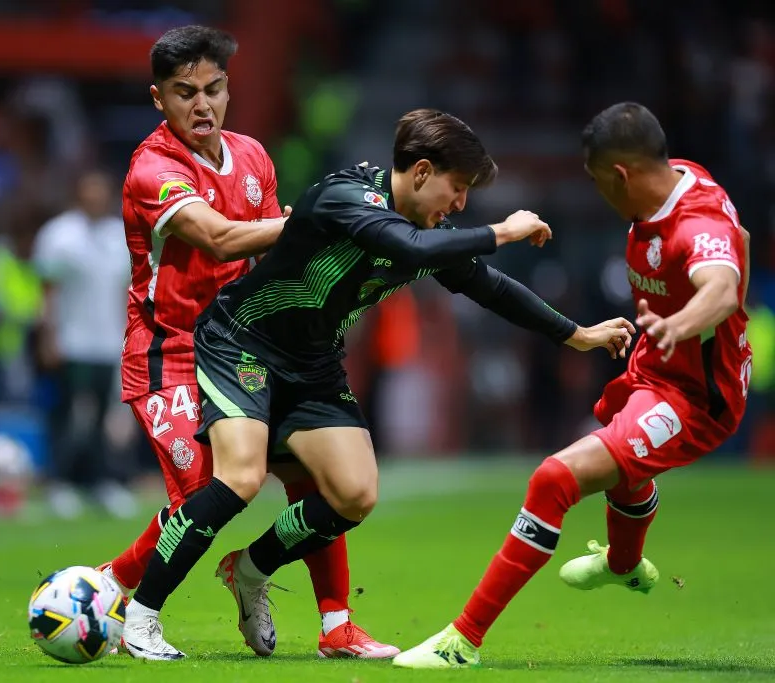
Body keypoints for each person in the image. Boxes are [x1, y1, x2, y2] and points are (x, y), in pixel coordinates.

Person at [121, 107, 635, 660]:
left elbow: (488, 287)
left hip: (313, 366)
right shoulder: (347, 197)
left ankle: (249, 569)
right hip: (243, 344)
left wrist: (574, 334)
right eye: (456, 188)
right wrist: (501, 231)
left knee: (353, 494)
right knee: (239, 479)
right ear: (419, 172)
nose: (460, 204)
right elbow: (409, 249)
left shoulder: (425, 229)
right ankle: (141, 617)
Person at [393, 102, 752, 669]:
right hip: (655, 373)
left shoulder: (694, 223)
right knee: (618, 459)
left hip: (694, 399)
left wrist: (682, 325)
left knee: (554, 478)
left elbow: (723, 289)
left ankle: (461, 642)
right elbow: (745, 238)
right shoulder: (678, 175)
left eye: (598, 182)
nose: (600, 196)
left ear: (622, 175)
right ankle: (624, 565)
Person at [104, 25, 399, 660]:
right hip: (171, 353)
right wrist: (307, 223)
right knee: (211, 490)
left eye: (213, 89)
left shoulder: (253, 157)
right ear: (159, 99)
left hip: (245, 347)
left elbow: (265, 257)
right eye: (185, 93)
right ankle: (115, 589)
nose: (202, 105)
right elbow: (220, 238)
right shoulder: (153, 169)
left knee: (317, 481)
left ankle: (335, 625)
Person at [33, 170, 136, 519]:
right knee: (68, 414)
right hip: (70, 340)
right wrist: (48, 336)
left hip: (107, 341)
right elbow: (47, 291)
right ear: (79, 193)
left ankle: (99, 481)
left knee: (100, 417)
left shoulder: (115, 236)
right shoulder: (59, 235)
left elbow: (125, 292)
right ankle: (59, 482)